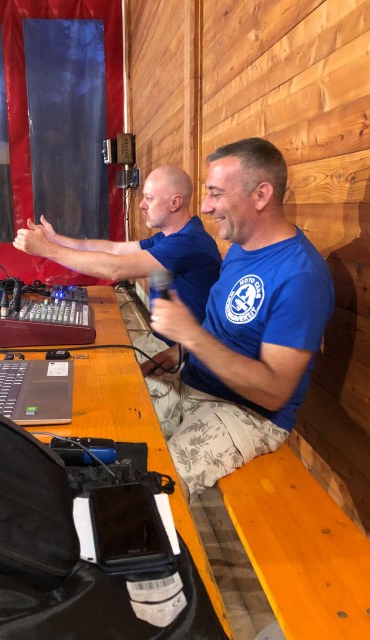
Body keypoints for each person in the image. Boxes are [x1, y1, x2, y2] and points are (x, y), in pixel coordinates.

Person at [142, 138, 335, 501]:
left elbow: (274, 391)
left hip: (248, 413)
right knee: (118, 426)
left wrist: (191, 336)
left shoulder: (301, 276)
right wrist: (179, 351)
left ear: (261, 195)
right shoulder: (240, 248)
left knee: (155, 490)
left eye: (215, 193)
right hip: (193, 380)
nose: (205, 206)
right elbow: (221, 326)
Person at [13, 165, 222, 354]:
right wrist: (56, 240)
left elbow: (116, 269)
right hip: (166, 343)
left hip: (185, 354)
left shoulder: (187, 242)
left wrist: (47, 249)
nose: (142, 205)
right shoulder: (169, 237)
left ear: (175, 202)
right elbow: (115, 249)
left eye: (149, 198)